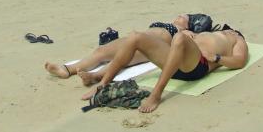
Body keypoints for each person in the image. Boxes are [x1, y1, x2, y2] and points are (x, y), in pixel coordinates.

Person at [83, 27, 249, 113]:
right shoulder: (210, 33)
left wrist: (218, 58)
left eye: (230, 30)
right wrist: (189, 34)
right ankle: (103, 83)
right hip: (175, 60)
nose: (228, 29)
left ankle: (156, 94)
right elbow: (183, 39)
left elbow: (240, 61)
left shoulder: (236, 38)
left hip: (197, 66)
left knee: (179, 38)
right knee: (135, 36)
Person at [44, 13, 207, 81]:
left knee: (121, 59)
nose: (181, 16)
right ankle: (67, 69)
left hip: (149, 46)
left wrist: (190, 34)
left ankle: (95, 76)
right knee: (101, 51)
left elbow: (189, 44)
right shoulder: (168, 23)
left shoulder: (185, 32)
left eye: (185, 17)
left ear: (191, 25)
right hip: (137, 38)